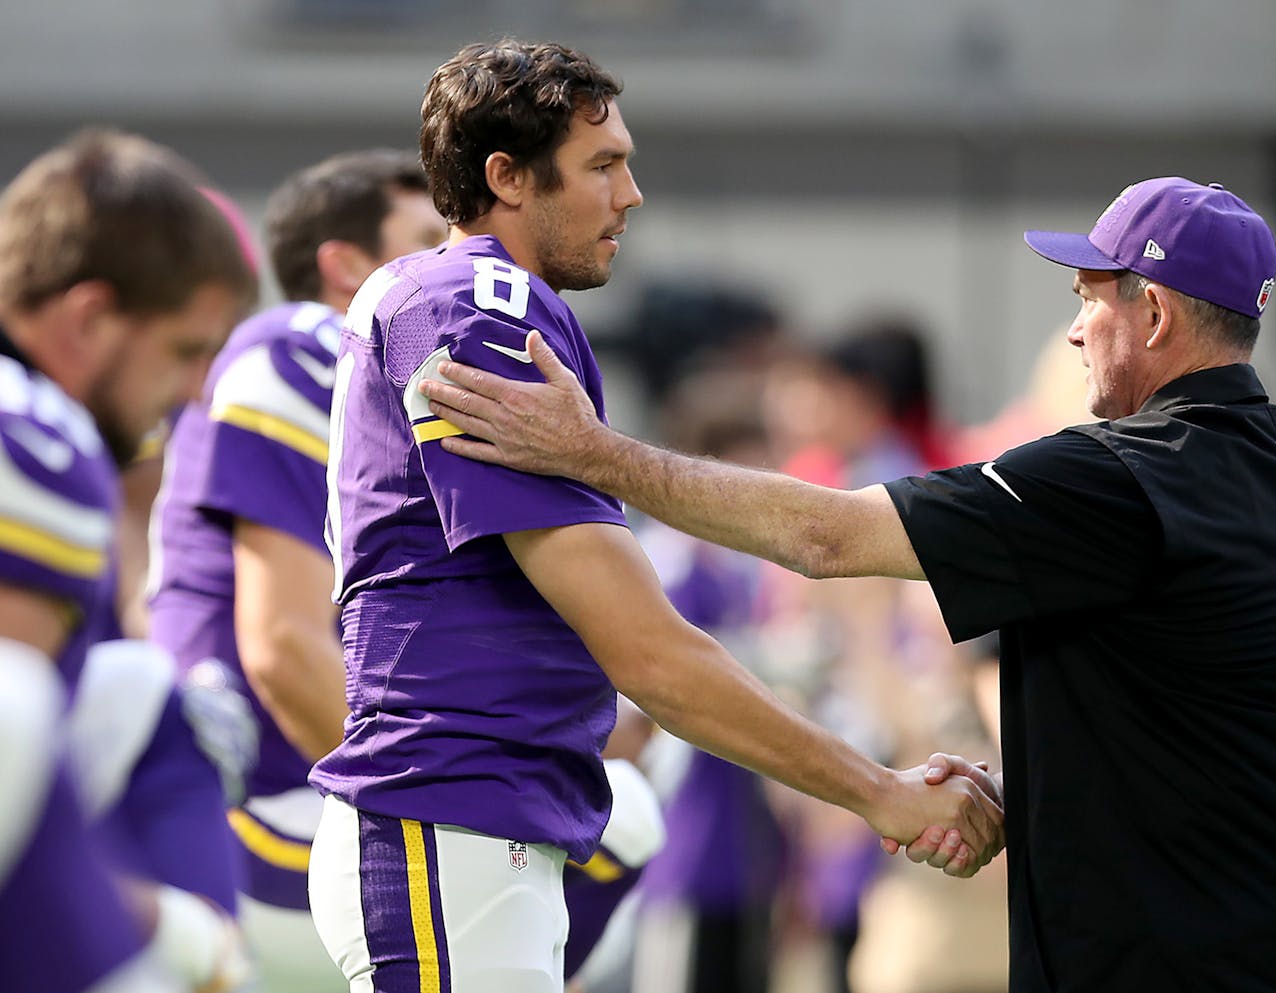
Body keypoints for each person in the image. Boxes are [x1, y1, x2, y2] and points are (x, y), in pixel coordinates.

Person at [419, 176, 1276, 992]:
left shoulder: (1125, 471)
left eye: (1086, 297)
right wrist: (1039, 783)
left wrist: (593, 454)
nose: (1074, 331)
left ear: (1151, 310)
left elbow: (824, 536)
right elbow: (1212, 716)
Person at [305, 39, 1002, 993]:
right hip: (448, 813)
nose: (630, 194)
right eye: (602, 165)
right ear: (506, 176)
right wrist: (876, 791)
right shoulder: (476, 301)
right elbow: (647, 649)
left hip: (480, 819)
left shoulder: (474, 298)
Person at [146, 148, 446, 993]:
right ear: (345, 265)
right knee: (610, 826)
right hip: (255, 803)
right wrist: (418, 821)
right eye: (426, 242)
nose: (452, 268)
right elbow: (280, 642)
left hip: (257, 793)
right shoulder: (307, 344)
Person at [0, 129, 258, 991]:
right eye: (186, 350)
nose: (194, 390)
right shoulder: (35, 439)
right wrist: (160, 934)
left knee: (157, 701)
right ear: (87, 319)